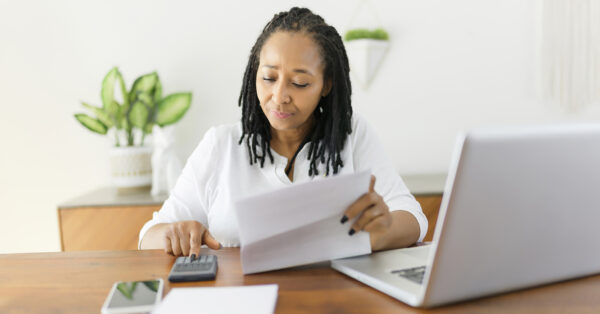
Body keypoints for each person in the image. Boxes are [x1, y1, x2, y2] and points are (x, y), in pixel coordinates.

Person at [139, 7, 427, 257]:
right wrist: (172, 235)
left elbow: (414, 218)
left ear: (326, 85)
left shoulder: (352, 135)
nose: (279, 96)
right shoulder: (221, 145)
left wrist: (382, 231)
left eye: (300, 83)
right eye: (269, 78)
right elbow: (148, 236)